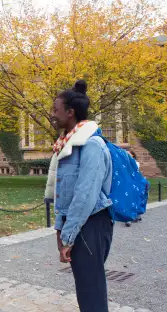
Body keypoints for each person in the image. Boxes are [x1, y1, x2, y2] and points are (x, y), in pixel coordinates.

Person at [45, 80, 114, 312]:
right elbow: (62, 195)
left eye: (56, 110)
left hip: (92, 224)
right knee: (86, 289)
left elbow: (85, 197)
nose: (52, 114)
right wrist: (60, 230)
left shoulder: (91, 145)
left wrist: (68, 236)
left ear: (70, 112)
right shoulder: (66, 145)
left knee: (91, 291)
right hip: (78, 225)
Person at [125, 150, 144, 227]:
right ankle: (129, 218)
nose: (127, 154)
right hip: (127, 183)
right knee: (128, 199)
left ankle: (134, 216)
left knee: (134, 199)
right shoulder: (125, 162)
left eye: (128, 153)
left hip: (134, 183)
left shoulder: (136, 163)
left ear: (132, 155)